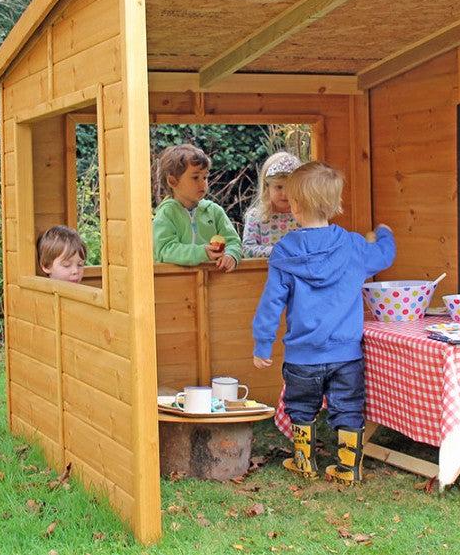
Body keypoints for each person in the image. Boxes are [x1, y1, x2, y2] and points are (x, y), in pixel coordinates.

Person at [252, 161, 395, 484]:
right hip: (346, 355)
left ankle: (305, 462)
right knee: (348, 407)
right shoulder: (355, 245)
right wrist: (384, 234)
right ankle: (348, 468)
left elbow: (271, 303)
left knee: (301, 407)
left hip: (303, 355)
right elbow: (384, 256)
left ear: (296, 205)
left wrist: (262, 343)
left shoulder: (285, 251)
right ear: (334, 204)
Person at [153, 143, 241, 271]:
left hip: (214, 283)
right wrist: (200, 253)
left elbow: (233, 241)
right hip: (174, 284)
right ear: (173, 181)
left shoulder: (215, 212)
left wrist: (231, 255)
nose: (203, 183)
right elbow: (164, 250)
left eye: (205, 177)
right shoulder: (166, 213)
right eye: (195, 177)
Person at [242, 151, 302, 258]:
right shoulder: (256, 216)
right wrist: (277, 251)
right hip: (265, 273)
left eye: (291, 188)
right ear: (267, 187)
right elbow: (247, 249)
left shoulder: (305, 215)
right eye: (279, 187)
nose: (285, 193)